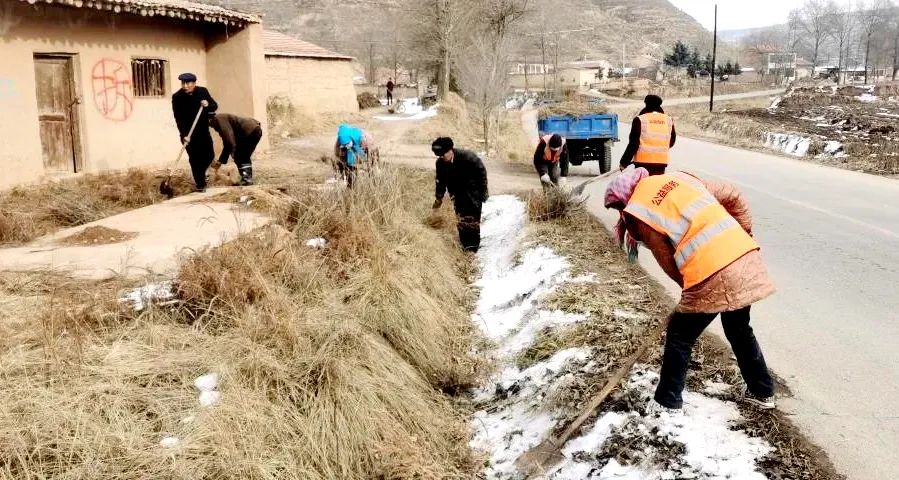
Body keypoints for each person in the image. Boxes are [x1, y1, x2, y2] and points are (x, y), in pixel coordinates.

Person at [604, 167, 776, 411]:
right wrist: (743, 234)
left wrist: (690, 293)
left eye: (618, 208)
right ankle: (763, 393)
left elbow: (668, 261)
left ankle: (667, 402)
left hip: (710, 271)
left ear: (623, 199)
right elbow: (733, 195)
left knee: (680, 335)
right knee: (739, 328)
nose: (620, 213)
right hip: (743, 256)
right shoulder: (678, 179)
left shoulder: (639, 211)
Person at [431, 137, 489, 253]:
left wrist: (483, 192)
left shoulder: (468, 157)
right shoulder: (440, 163)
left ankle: (473, 249)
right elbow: (440, 182)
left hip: (473, 193)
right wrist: (438, 198)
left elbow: (481, 173)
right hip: (457, 195)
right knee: (461, 220)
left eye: (443, 154)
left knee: (473, 220)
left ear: (450, 150)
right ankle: (465, 247)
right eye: (439, 156)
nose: (442, 157)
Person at [172, 73, 218, 192]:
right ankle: (200, 184)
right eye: (183, 83)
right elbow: (178, 119)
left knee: (209, 155)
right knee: (194, 159)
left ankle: (203, 173)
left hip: (203, 132)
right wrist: (184, 135)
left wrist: (207, 104)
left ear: (194, 83)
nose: (185, 86)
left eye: (188, 83)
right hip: (188, 134)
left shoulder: (202, 91)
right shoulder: (177, 97)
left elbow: (214, 106)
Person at [619, 94, 676, 175]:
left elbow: (633, 144)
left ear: (646, 103)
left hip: (642, 163)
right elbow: (671, 142)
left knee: (643, 183)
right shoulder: (668, 120)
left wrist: (624, 163)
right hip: (661, 163)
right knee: (655, 183)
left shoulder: (640, 119)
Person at [209, 113, 262, 186]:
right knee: (242, 156)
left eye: (210, 125)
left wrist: (223, 159)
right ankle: (246, 178)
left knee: (241, 156)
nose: (211, 127)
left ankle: (247, 179)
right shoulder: (220, 119)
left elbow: (229, 141)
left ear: (209, 119)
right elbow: (227, 142)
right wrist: (222, 160)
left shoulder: (218, 120)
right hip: (254, 129)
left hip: (249, 130)